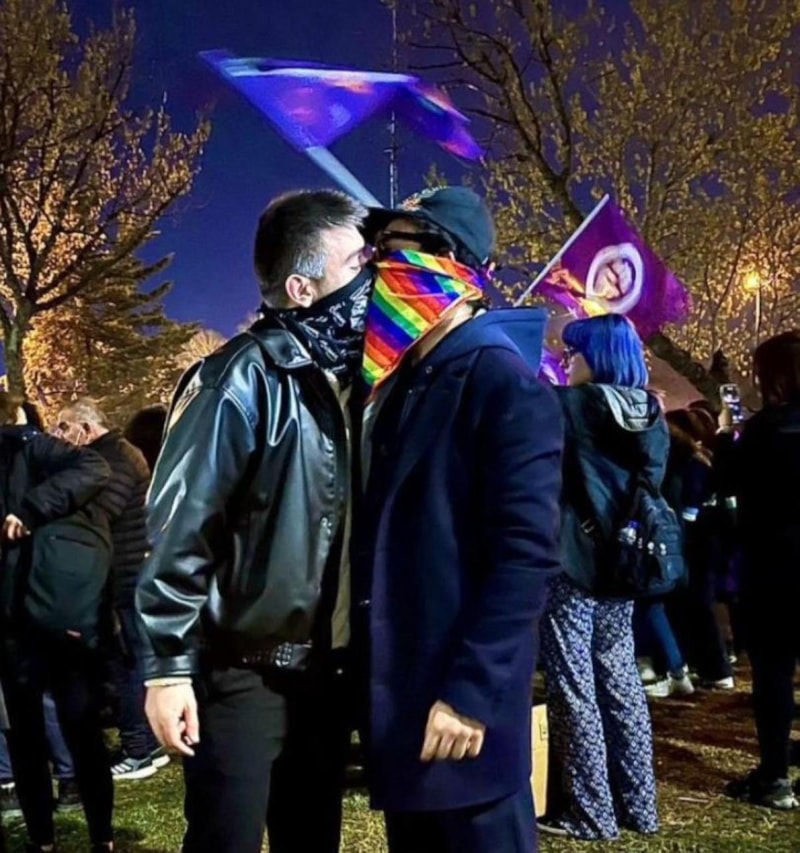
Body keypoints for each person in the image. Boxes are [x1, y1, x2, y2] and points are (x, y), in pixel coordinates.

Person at [136, 189, 373, 853]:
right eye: (357, 264)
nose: (374, 280)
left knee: (312, 837)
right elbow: (180, 530)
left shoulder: (359, 380)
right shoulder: (235, 380)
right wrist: (167, 669)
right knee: (226, 838)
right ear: (301, 287)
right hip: (243, 674)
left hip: (326, 673)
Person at [353, 186, 563, 852]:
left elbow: (525, 557)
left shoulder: (501, 381)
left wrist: (471, 692)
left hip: (461, 711)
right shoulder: (402, 381)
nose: (379, 267)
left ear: (451, 265)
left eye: (397, 250)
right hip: (406, 704)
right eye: (377, 251)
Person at [540, 314, 663, 840]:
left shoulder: (571, 406)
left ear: (596, 357)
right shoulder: (651, 412)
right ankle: (639, 806)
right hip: (626, 561)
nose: (568, 362)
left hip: (573, 560)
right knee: (621, 679)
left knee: (573, 684)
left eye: (573, 353)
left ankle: (590, 814)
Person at [0, 391, 114, 852]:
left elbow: (95, 468)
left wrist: (28, 510)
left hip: (44, 611)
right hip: (22, 614)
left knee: (69, 729)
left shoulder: (30, 447)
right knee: (37, 735)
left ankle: (91, 836)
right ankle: (59, 838)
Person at [55, 398, 167, 780]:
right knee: (132, 659)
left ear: (86, 428)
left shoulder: (112, 459)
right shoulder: (117, 453)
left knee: (129, 663)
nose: (59, 436)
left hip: (128, 575)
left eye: (64, 427)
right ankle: (147, 743)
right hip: (130, 572)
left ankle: (139, 750)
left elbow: (101, 512)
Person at [723, 330, 800, 810]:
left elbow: (727, 480)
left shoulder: (764, 430)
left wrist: (724, 436)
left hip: (773, 569)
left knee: (773, 676)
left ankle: (774, 775)